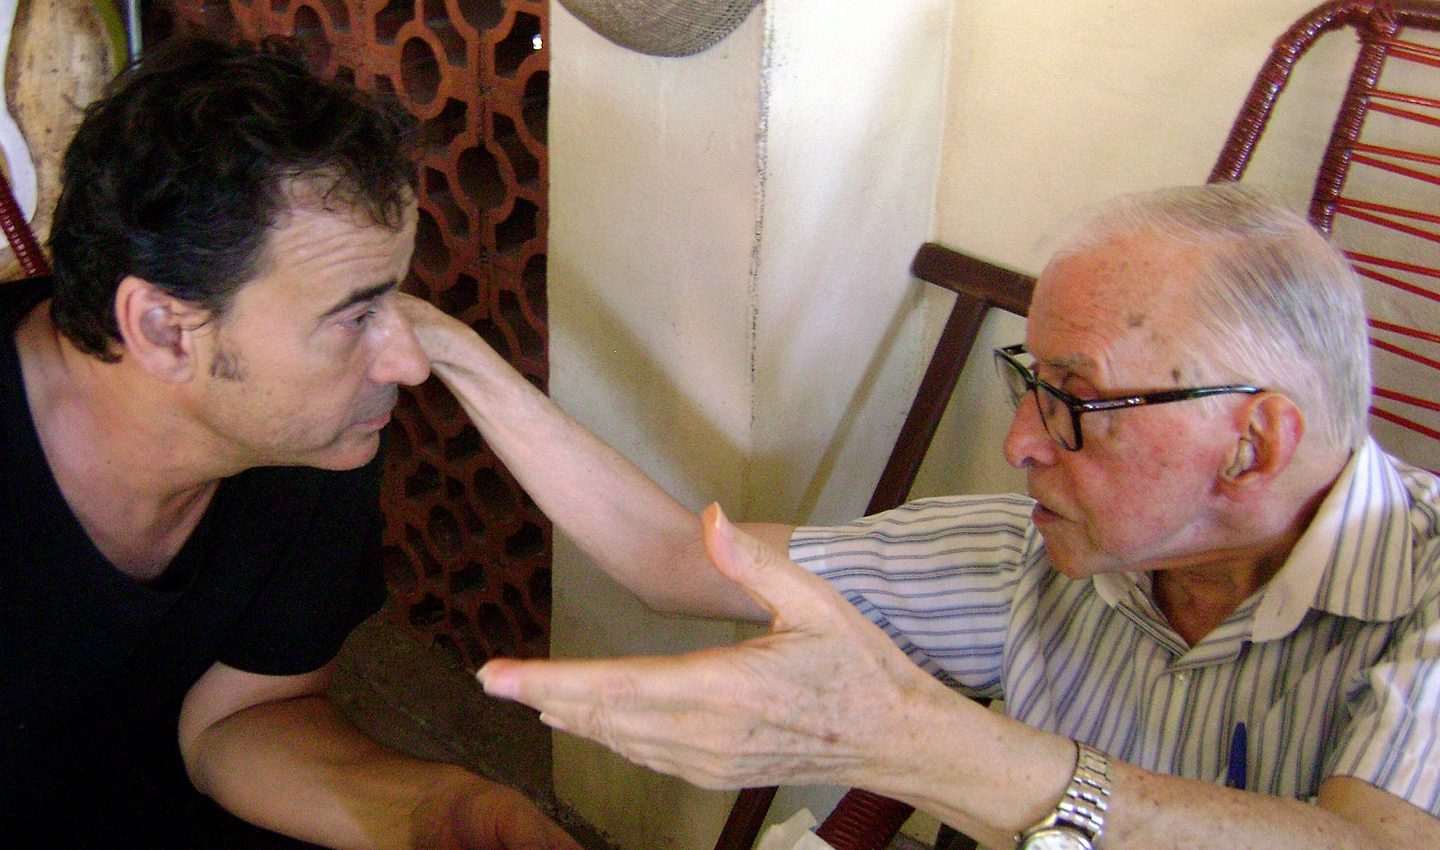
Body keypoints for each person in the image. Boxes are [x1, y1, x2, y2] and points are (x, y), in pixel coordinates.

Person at [399, 183, 1440, 849]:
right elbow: (677, 558)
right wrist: (453, 353)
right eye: (1027, 381)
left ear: (1254, 441)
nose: (1021, 439)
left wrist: (910, 739)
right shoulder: (1046, 554)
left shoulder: (1422, 597)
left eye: (1073, 400)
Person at [0, 37, 581, 850]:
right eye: (355, 315)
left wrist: (440, 814)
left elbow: (239, 716)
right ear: (166, 332)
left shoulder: (312, 440)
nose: (407, 361)